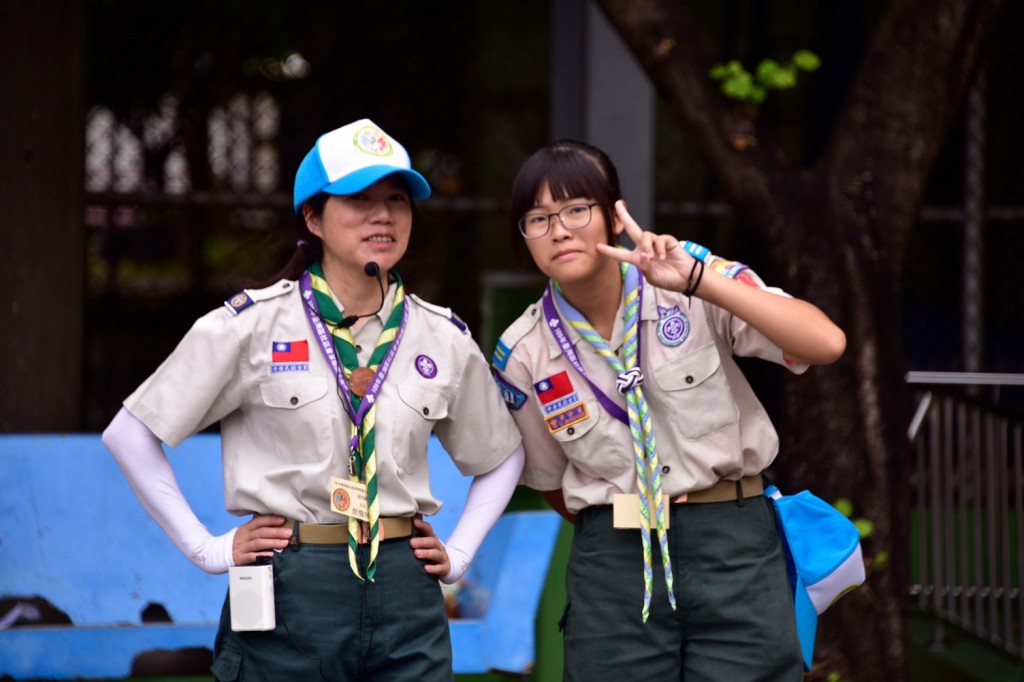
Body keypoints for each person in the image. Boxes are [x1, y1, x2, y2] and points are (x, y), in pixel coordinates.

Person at [102, 118, 525, 681]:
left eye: (397, 200)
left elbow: (502, 455)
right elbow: (130, 433)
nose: (383, 216)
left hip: (406, 586)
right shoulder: (250, 327)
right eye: (358, 199)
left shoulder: (442, 336)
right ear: (312, 217)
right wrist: (206, 549)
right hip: (293, 581)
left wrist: (462, 554)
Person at [490, 139, 846, 681]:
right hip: (614, 564)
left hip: (734, 547)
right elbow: (552, 484)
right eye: (537, 218)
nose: (558, 229)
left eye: (575, 209)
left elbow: (825, 343)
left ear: (614, 215)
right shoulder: (523, 352)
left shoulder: (692, 282)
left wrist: (700, 280)